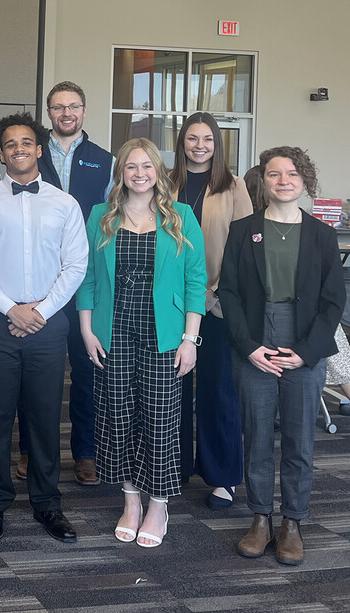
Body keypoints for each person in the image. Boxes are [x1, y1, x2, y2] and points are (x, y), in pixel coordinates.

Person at [0, 112, 87, 544]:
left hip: (49, 325)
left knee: (46, 418)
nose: (19, 149)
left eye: (27, 142)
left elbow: (76, 265)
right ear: (0, 153)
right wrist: (11, 309)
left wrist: (40, 311)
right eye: (10, 143)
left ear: (39, 149)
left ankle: (48, 504)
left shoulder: (64, 203)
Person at [76, 138, 205, 548]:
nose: (140, 174)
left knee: (161, 421)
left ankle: (159, 504)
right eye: (131, 167)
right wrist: (85, 329)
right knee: (119, 417)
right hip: (113, 331)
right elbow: (87, 277)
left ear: (160, 171)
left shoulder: (181, 216)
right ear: (121, 174)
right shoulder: (100, 215)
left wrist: (190, 339)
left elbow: (195, 281)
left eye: (147, 166)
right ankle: (131, 501)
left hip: (164, 335)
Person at [220, 146, 344, 566]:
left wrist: (307, 353)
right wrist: (249, 347)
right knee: (256, 435)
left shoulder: (323, 236)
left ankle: (292, 521)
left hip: (305, 339)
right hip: (256, 338)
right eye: (275, 174)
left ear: (304, 181)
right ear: (263, 182)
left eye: (292, 173)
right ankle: (260, 518)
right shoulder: (243, 230)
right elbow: (230, 294)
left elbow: (332, 303)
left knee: (298, 438)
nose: (284, 180)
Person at [168, 111, 254, 509]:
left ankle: (222, 476)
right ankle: (177, 464)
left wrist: (211, 293)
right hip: (171, 303)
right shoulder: (164, 182)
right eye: (192, 138)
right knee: (172, 389)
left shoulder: (233, 186)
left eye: (207, 139)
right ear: (181, 140)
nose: (199, 145)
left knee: (218, 390)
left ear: (217, 144)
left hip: (217, 304)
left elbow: (244, 248)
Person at [38, 81, 114, 486]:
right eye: (58, 107)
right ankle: (36, 451)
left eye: (73, 107)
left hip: (86, 281)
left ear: (84, 111)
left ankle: (86, 452)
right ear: (48, 112)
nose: (66, 113)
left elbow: (111, 218)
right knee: (40, 372)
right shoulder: (30, 153)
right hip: (39, 279)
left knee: (87, 371)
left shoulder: (105, 160)